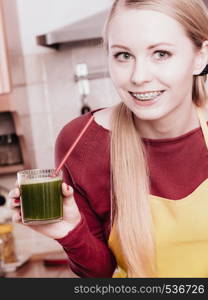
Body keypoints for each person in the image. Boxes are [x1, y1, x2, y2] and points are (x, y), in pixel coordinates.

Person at [9, 0, 208, 278]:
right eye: (123, 56)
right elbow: (101, 276)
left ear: (201, 56)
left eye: (161, 53)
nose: (138, 77)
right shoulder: (81, 142)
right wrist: (69, 232)